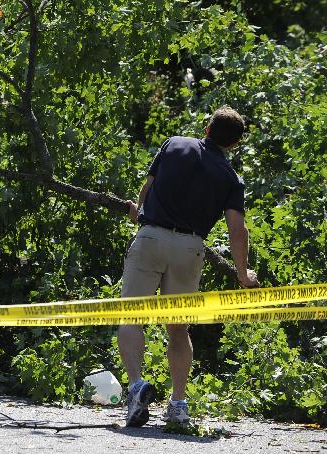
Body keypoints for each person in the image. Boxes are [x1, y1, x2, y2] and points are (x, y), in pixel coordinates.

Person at [119, 105, 259, 427]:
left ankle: (137, 386)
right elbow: (237, 231)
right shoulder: (231, 178)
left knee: (131, 316)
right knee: (178, 328)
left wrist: (138, 212)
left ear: (207, 128)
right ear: (234, 144)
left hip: (151, 237)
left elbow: (147, 187)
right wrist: (242, 274)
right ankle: (178, 404)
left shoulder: (173, 144)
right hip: (191, 248)